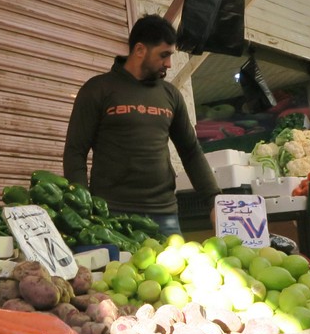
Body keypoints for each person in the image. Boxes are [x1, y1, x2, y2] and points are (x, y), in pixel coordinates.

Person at [63, 15, 218, 236]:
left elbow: (191, 151)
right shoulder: (98, 89)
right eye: (163, 55)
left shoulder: (170, 94)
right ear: (139, 50)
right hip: (111, 214)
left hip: (164, 215)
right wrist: (82, 205)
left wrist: (214, 201)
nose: (169, 64)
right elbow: (75, 152)